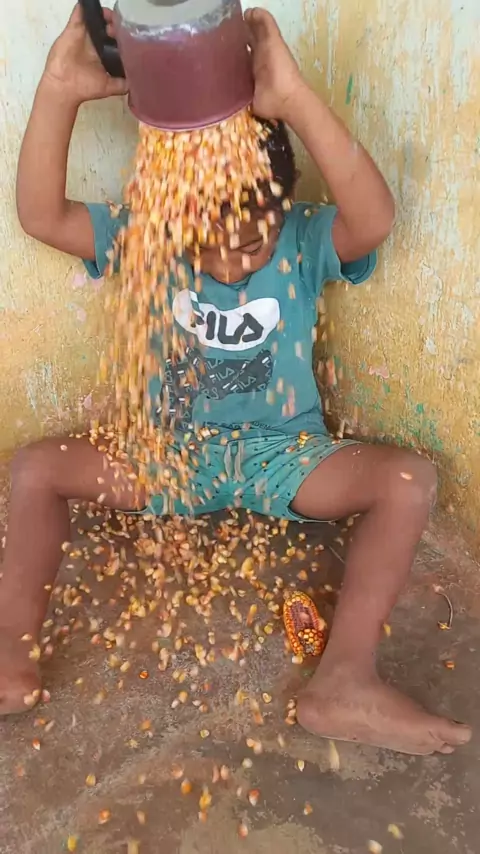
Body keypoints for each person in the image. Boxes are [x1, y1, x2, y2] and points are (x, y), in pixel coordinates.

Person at [4, 3, 471, 756]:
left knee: (408, 479)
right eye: (208, 243)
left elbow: (375, 219)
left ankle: (345, 678)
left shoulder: (307, 237)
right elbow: (40, 215)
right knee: (34, 469)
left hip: (283, 454)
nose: (230, 259)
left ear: (283, 206)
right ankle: (8, 651)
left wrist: (293, 98)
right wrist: (59, 88)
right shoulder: (147, 237)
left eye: (251, 239)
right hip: (164, 454)